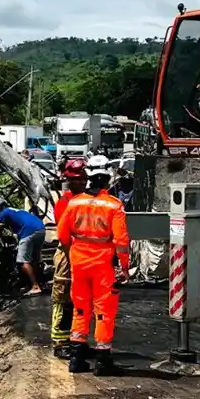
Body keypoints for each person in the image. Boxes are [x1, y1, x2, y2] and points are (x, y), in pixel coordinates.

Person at [57, 155, 130, 376]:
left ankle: (76, 360)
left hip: (78, 263)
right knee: (104, 312)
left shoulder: (74, 202)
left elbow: (62, 235)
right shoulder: (114, 205)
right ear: (108, 179)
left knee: (80, 309)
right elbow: (121, 241)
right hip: (103, 266)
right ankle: (103, 361)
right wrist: (124, 268)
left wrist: (75, 251)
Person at [50, 158, 88, 359]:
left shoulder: (86, 201)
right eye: (77, 180)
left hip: (84, 255)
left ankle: (77, 340)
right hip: (68, 254)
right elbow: (65, 236)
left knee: (81, 300)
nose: (81, 183)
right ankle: (60, 342)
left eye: (83, 179)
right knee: (63, 297)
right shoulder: (64, 203)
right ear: (68, 180)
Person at [0, 200, 47, 295]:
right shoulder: (19, 210)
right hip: (41, 229)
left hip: (28, 232)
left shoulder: (3, 213)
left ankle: (35, 286)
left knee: (23, 262)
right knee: (34, 260)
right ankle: (39, 282)